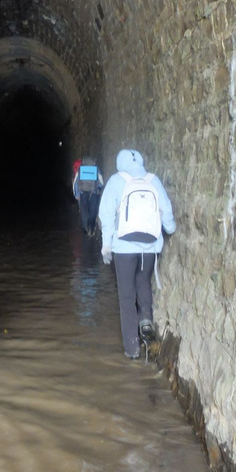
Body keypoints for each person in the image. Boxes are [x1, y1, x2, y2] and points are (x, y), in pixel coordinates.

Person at [98, 149, 175, 360]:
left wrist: (106, 247)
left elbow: (105, 215)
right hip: (149, 249)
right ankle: (146, 327)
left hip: (123, 249)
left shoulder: (116, 181)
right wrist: (169, 228)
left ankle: (132, 348)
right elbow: (166, 210)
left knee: (126, 296)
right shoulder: (153, 180)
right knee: (143, 285)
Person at [72, 156, 104, 236]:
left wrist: (77, 194)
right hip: (93, 192)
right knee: (93, 210)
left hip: (83, 192)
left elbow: (76, 182)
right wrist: (98, 188)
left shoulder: (81, 168)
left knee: (84, 210)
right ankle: (92, 226)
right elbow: (101, 182)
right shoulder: (96, 168)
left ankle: (85, 229)